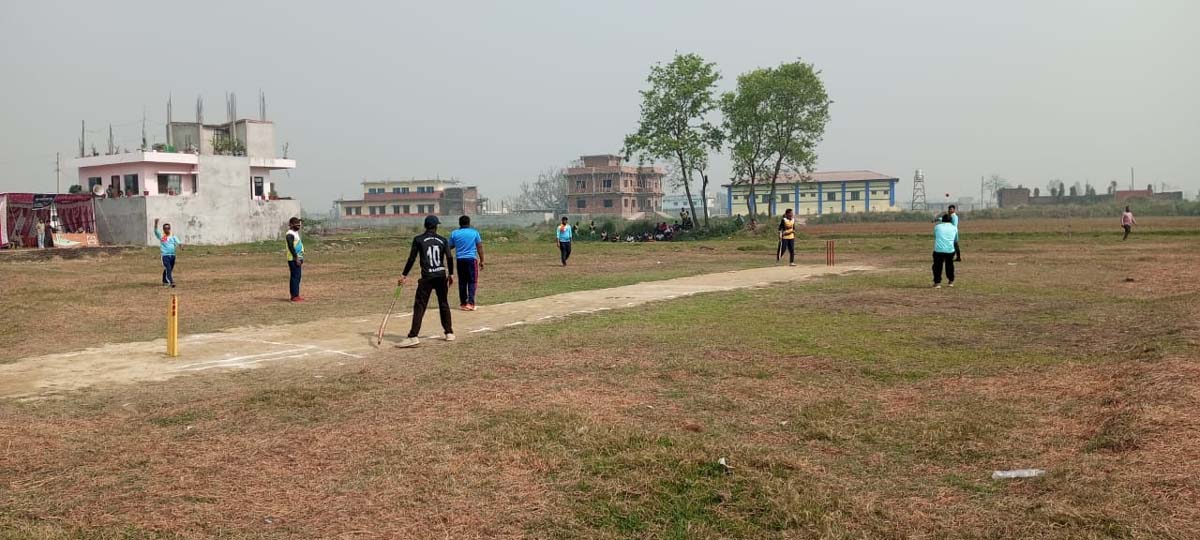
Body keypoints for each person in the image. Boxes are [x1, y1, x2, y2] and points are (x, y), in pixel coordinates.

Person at [396, 215, 455, 348]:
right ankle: (449, 332)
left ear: (425, 226)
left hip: (427, 277)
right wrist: (451, 274)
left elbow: (412, 258)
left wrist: (404, 275)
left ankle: (413, 336)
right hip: (440, 275)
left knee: (420, 305)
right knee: (443, 303)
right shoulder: (443, 240)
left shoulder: (418, 239)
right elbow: (449, 257)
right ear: (436, 226)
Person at [448, 215, 484, 311]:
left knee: (462, 282)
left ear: (459, 223)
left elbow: (449, 246)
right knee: (472, 281)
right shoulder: (474, 233)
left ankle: (463, 303)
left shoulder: (454, 233)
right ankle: (470, 303)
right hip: (471, 260)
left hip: (460, 260)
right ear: (469, 223)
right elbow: (479, 247)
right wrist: (482, 260)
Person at [154, 218, 182, 288]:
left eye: (168, 228)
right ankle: (171, 282)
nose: (167, 229)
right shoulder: (161, 236)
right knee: (168, 268)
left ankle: (164, 281)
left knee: (169, 269)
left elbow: (178, 242)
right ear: (163, 229)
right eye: (165, 228)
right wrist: (156, 223)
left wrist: (181, 246)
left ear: (170, 229)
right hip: (165, 256)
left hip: (172, 256)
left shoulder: (173, 236)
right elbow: (156, 231)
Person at [932, 213, 957, 288]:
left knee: (937, 266)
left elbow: (935, 236)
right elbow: (954, 238)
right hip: (950, 250)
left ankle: (937, 283)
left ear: (942, 220)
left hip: (938, 250)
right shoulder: (954, 228)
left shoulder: (937, 227)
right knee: (950, 265)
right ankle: (951, 281)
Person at [285, 217, 304, 301]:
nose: (299, 226)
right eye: (297, 224)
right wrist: (296, 258)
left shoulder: (295, 233)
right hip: (293, 259)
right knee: (295, 277)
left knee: (297, 277)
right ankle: (294, 296)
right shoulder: (290, 234)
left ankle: (296, 295)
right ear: (291, 225)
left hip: (298, 258)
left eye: (299, 224)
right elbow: (291, 247)